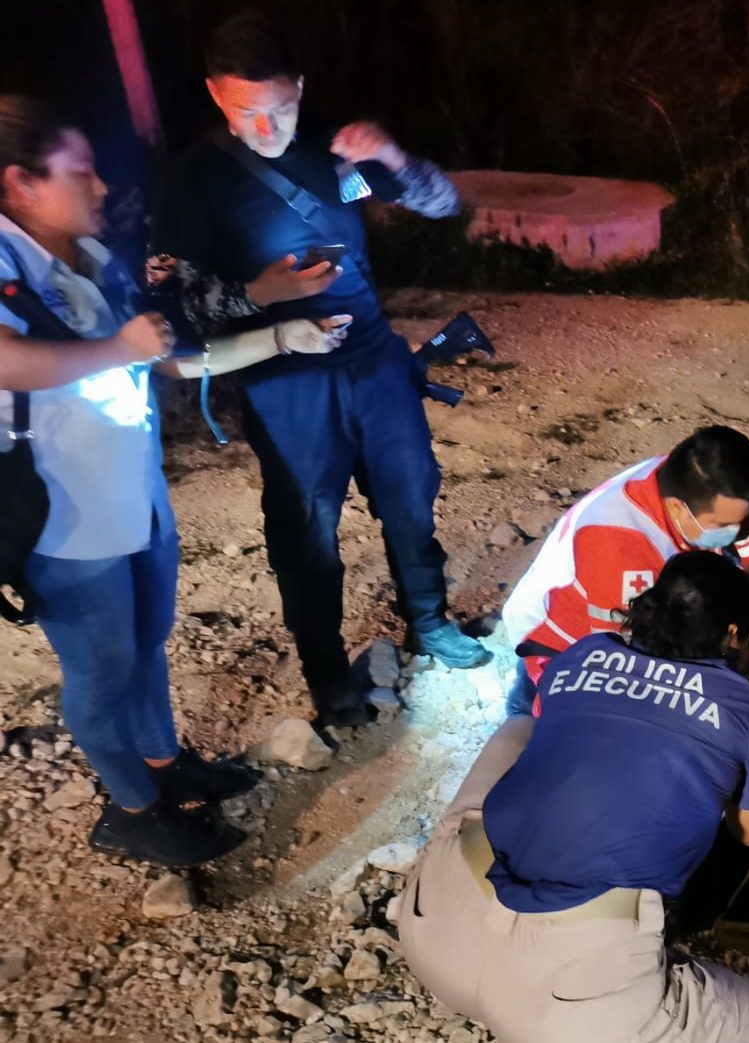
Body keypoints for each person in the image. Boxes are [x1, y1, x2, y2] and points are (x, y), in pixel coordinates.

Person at [0, 96, 349, 865]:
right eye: (79, 171)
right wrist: (117, 348)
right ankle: (131, 808)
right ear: (21, 183)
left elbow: (166, 359)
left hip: (135, 494)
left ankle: (165, 762)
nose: (100, 186)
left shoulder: (94, 260)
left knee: (149, 640)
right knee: (100, 671)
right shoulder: (6, 260)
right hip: (63, 519)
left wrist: (280, 336)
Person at [145, 12, 484, 728]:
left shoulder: (333, 148)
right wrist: (259, 295)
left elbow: (443, 202)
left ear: (299, 88)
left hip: (375, 362)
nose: (267, 127)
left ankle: (430, 623)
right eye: (247, 111)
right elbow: (176, 304)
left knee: (410, 499)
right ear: (214, 93)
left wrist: (391, 155)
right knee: (306, 532)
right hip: (286, 379)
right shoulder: (193, 180)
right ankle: (329, 676)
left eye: (281, 108)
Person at [398, 552, 749, 1043]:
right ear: (733, 634)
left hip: (435, 935)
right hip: (564, 1011)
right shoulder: (748, 706)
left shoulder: (585, 651)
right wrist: (732, 763)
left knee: (521, 728)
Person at [499, 425, 749, 716]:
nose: (737, 531)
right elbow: (620, 670)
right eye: (724, 525)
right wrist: (738, 703)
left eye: (743, 520)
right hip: (563, 649)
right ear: (677, 509)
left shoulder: (703, 485)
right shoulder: (621, 548)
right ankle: (523, 714)